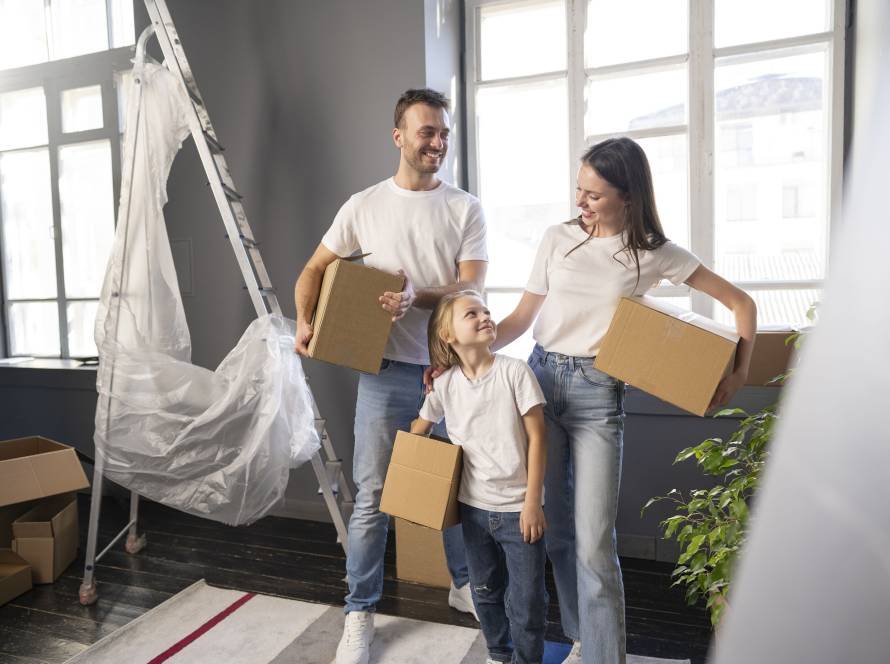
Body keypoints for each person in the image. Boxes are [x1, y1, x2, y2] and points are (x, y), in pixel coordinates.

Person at [490, 137, 758, 664]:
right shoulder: (556, 238)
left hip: (598, 395)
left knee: (594, 542)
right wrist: (462, 355)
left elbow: (740, 303)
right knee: (559, 532)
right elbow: (522, 320)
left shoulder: (654, 252)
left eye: (593, 195)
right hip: (541, 381)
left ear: (628, 196)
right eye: (578, 190)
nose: (581, 204)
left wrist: (740, 369)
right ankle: (581, 639)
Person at [293, 88, 487, 664]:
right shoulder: (363, 206)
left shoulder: (464, 208)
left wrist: (416, 296)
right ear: (398, 136)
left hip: (450, 372)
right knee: (373, 498)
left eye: (444, 133)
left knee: (455, 486)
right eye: (427, 132)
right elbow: (313, 270)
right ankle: (360, 613)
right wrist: (306, 321)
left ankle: (463, 585)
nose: (438, 142)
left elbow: (471, 288)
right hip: (382, 373)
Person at [413, 290, 548, 664]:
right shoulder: (444, 385)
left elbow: (538, 438)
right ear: (448, 335)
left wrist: (533, 503)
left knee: (527, 601)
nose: (485, 316)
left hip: (518, 510)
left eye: (486, 310)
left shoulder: (515, 372)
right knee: (485, 592)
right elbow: (418, 430)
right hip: (471, 510)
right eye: (471, 313)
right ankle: (498, 654)